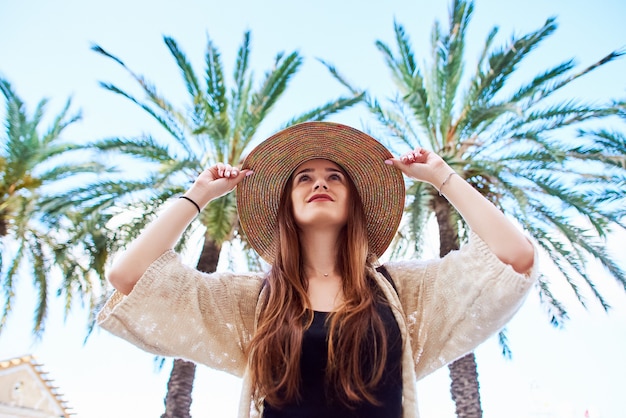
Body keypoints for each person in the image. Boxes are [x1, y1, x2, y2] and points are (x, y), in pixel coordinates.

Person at [98, 122, 536, 418]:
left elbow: (514, 259)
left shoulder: (404, 292)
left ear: (354, 203)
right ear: (286, 203)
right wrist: (196, 195)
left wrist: (443, 177)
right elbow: (128, 278)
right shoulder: (252, 300)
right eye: (303, 178)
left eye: (335, 177)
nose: (319, 183)